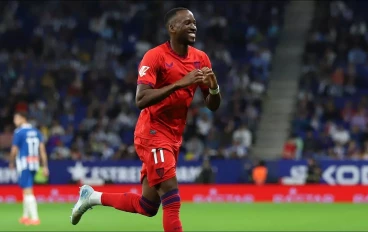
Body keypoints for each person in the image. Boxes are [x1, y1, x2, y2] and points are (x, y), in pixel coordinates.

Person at [70, 7, 221, 232]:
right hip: (152, 132)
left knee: (148, 205)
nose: (193, 26)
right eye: (187, 23)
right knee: (171, 195)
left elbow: (213, 105)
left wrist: (214, 88)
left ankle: (92, 197)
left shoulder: (200, 59)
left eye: (194, 23)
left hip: (174, 136)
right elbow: (141, 99)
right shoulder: (155, 56)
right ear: (172, 28)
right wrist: (180, 83)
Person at [9, 112, 49, 225]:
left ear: (23, 119)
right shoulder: (37, 132)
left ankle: (35, 218)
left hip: (24, 164)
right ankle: (25, 216)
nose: (14, 121)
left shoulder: (19, 132)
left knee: (28, 191)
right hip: (35, 164)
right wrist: (45, 166)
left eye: (16, 118)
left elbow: (14, 150)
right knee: (26, 190)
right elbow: (42, 150)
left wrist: (11, 162)